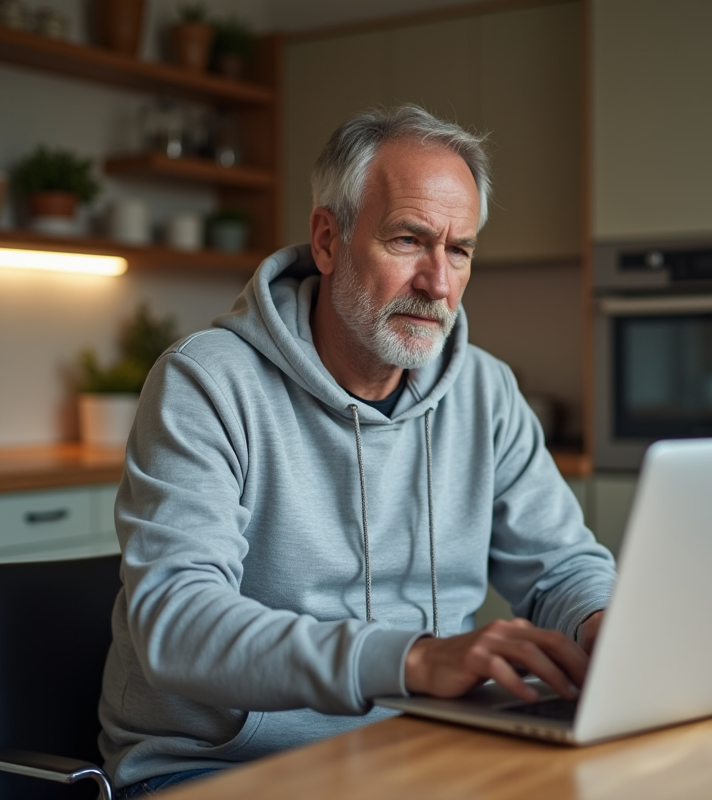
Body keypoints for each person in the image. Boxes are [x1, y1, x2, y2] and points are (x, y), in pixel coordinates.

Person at [99, 104, 617, 797]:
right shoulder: (207, 382)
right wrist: (411, 661)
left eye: (458, 250)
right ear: (327, 240)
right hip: (218, 770)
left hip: (420, 754)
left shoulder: (486, 391)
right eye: (408, 240)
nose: (438, 284)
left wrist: (603, 623)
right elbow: (177, 621)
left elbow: (561, 568)